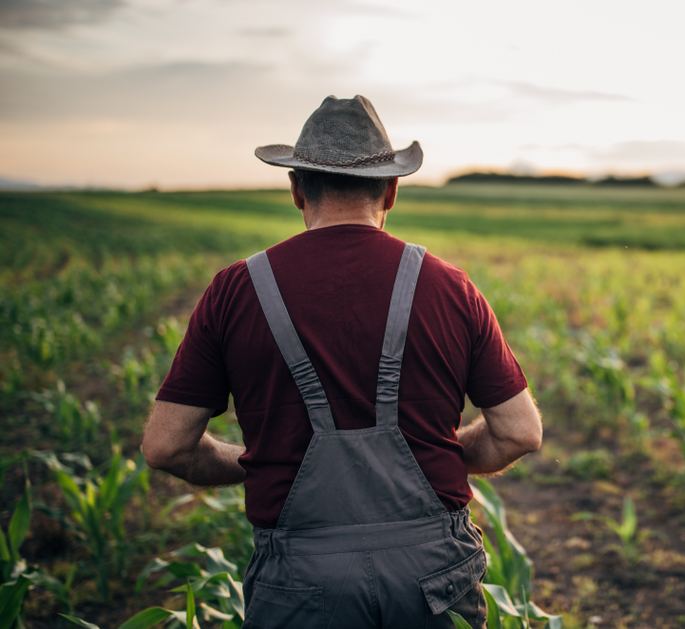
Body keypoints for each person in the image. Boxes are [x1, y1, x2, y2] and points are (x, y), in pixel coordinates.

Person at [141, 95, 542, 629]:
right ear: (392, 190)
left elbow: (166, 446)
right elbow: (519, 433)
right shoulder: (450, 287)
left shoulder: (236, 291)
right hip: (431, 578)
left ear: (295, 189)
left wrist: (258, 460)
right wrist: (440, 452)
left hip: (299, 580)